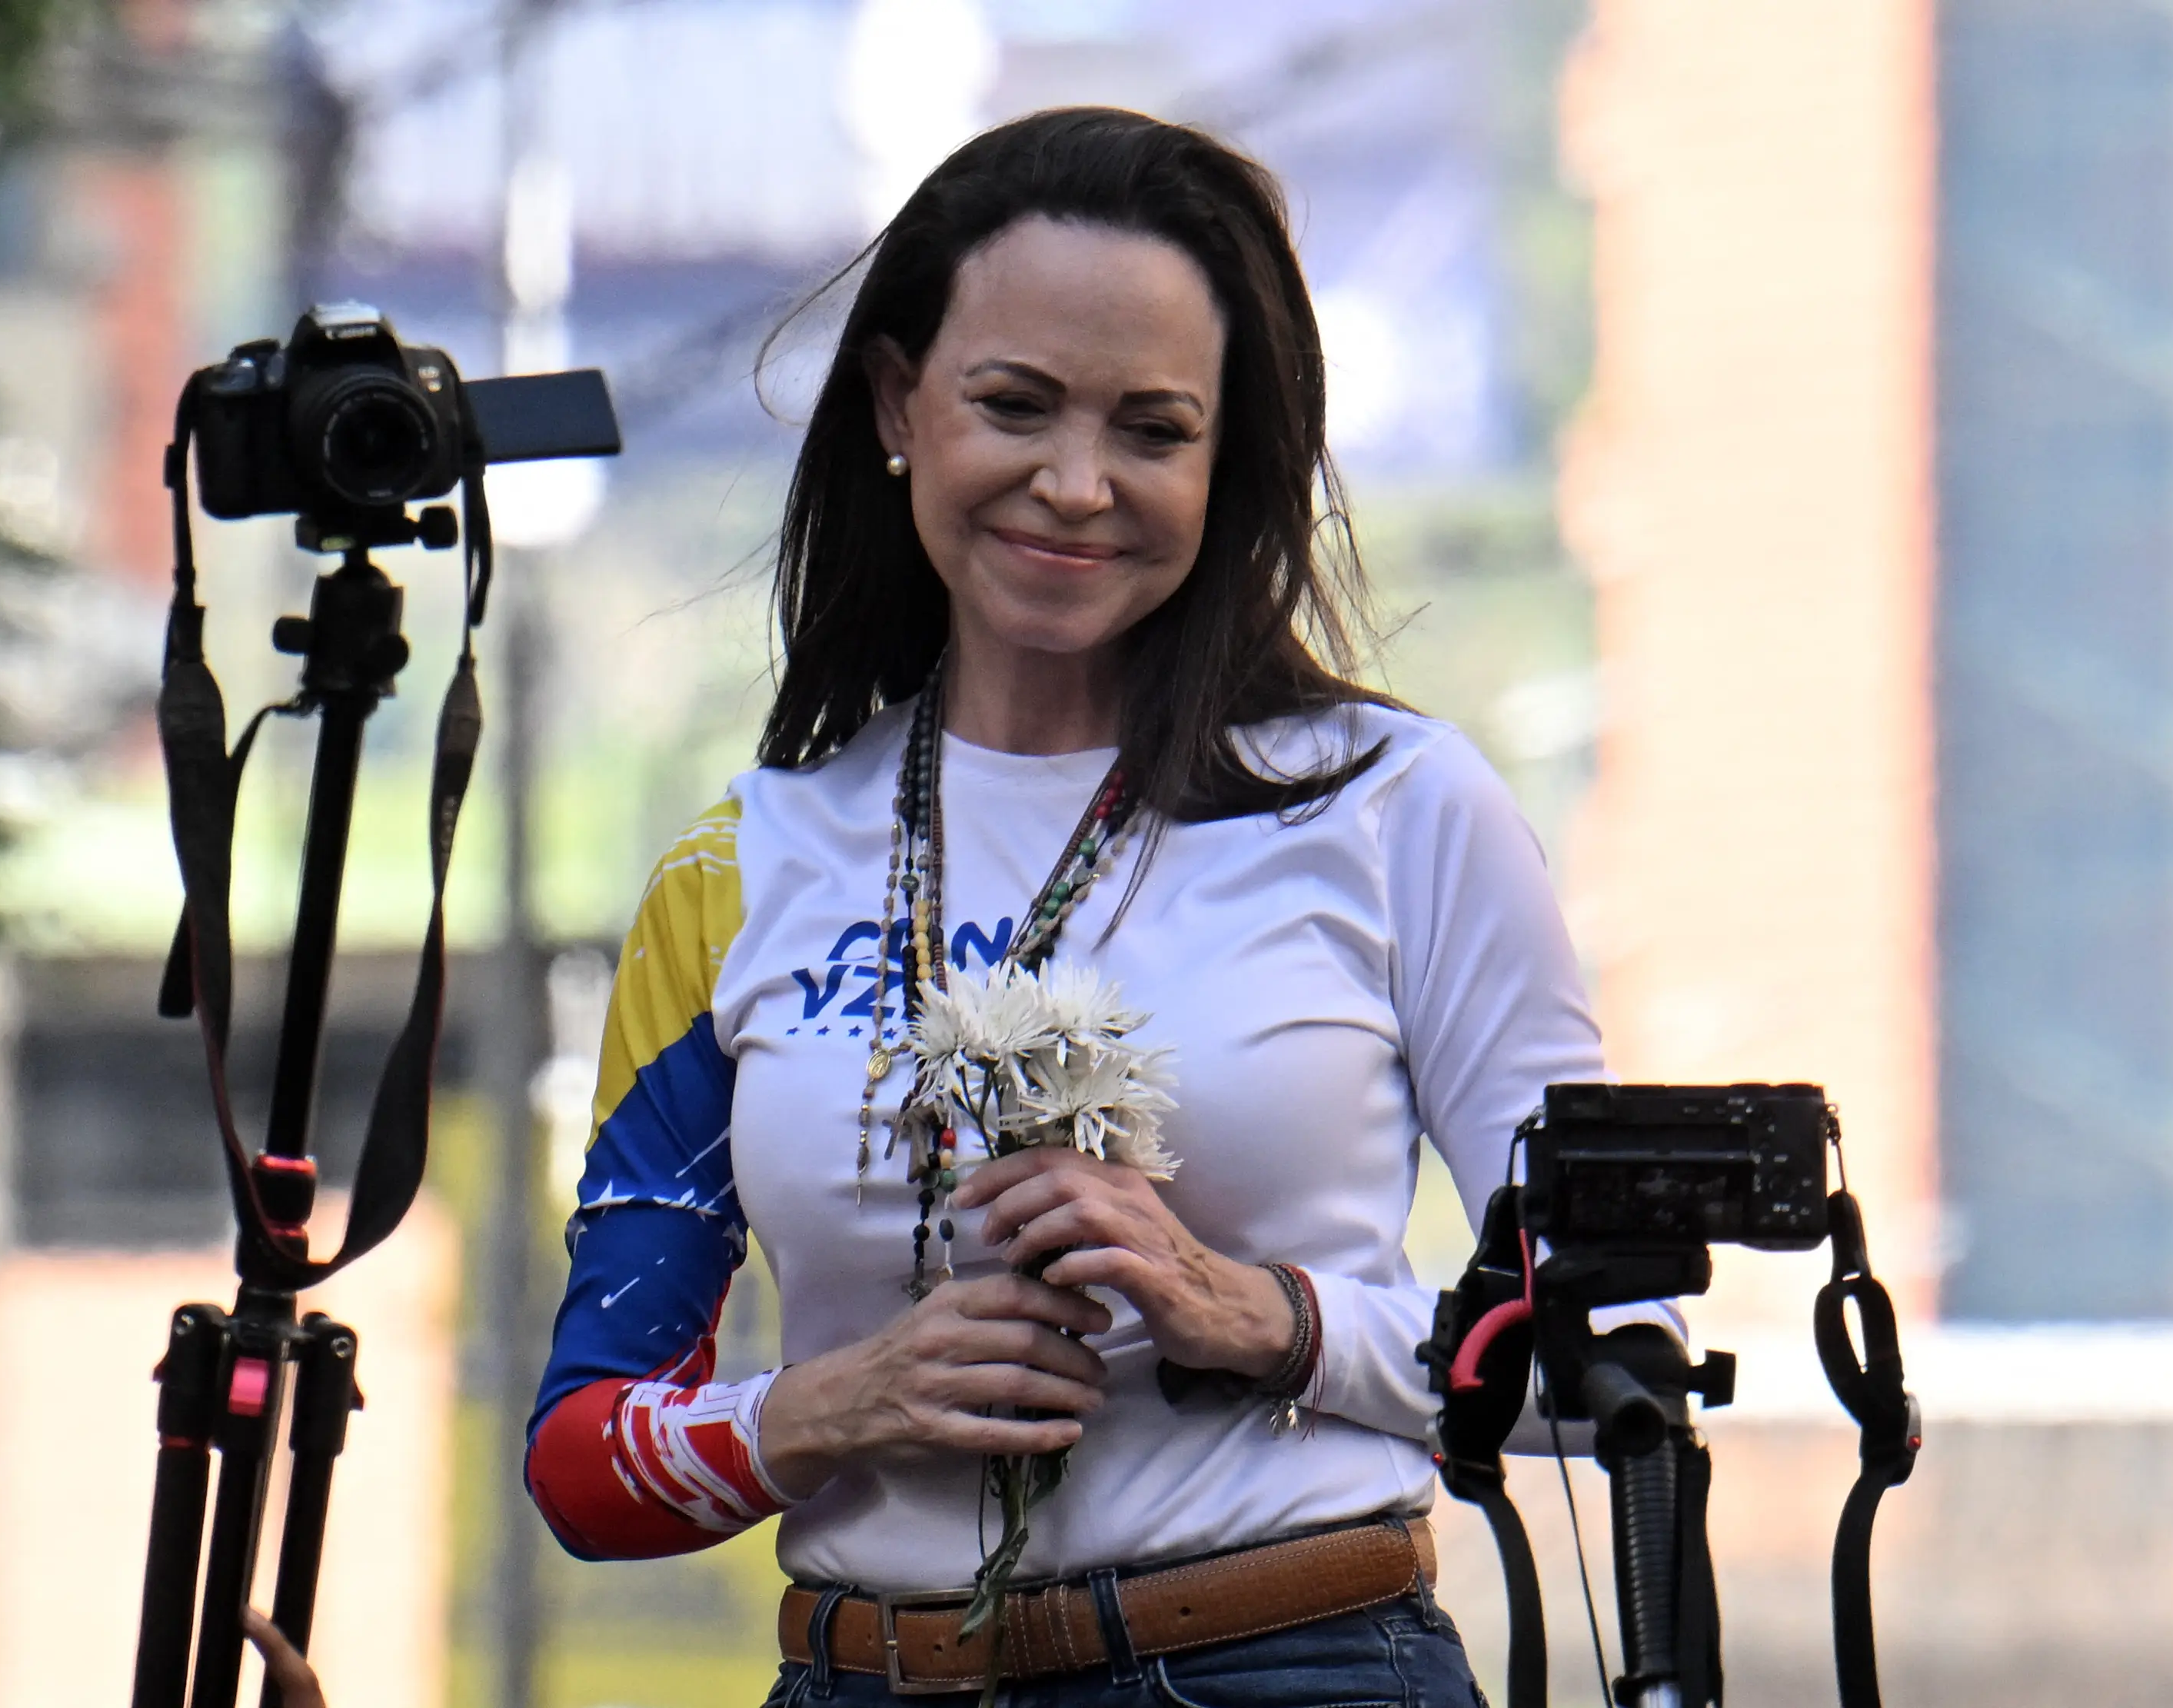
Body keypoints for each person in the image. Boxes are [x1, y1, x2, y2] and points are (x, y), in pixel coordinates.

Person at [524, 106, 1676, 1706]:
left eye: (1153, 430)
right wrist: (832, 1406)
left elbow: (1619, 1359)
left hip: (1296, 1663)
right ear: (895, 407)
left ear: (1229, 466)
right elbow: (584, 1463)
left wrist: (1265, 1318)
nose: (1076, 484)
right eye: (1015, 406)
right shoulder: (740, 873)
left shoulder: (1398, 809)